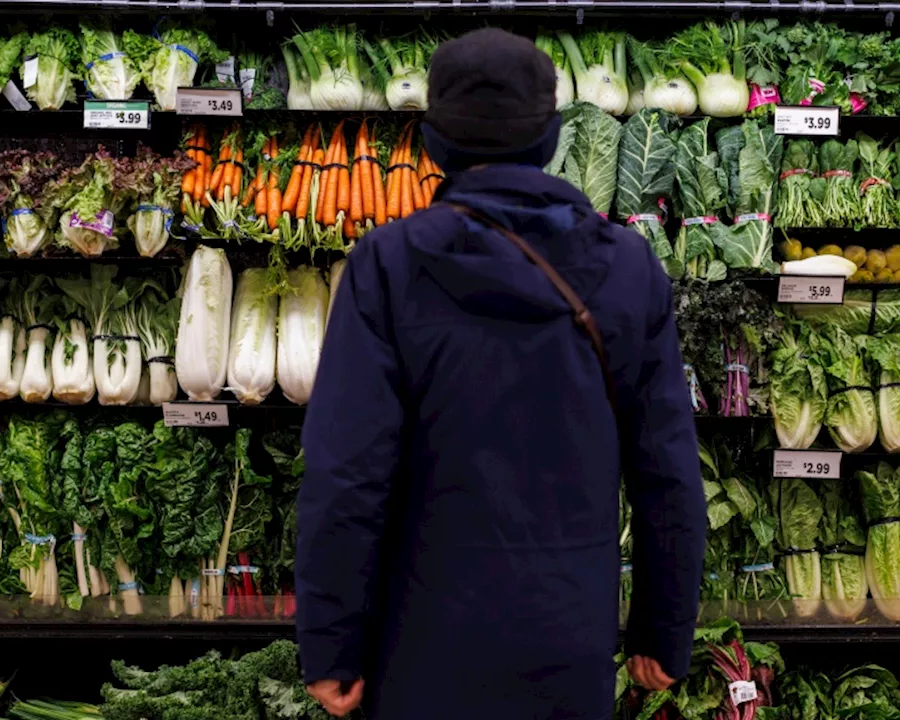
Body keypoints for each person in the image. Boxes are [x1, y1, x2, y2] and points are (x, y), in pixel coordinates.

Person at [296, 27, 706, 720]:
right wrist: (665, 627)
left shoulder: (387, 264)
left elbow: (347, 473)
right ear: (550, 141)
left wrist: (332, 642)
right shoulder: (628, 266)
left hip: (420, 631)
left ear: (433, 144)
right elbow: (667, 469)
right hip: (568, 628)